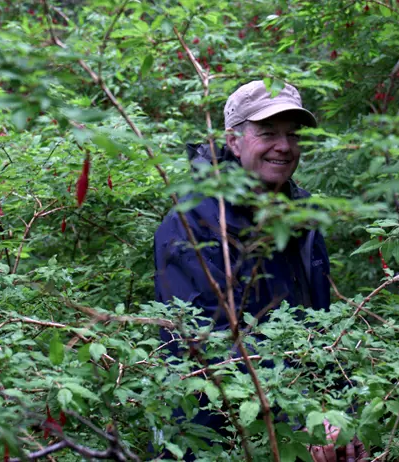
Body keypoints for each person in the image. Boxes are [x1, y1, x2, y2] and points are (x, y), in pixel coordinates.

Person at [153, 80, 366, 461]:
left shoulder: (302, 218)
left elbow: (319, 330)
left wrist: (337, 414)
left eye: (291, 135)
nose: (283, 147)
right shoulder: (192, 225)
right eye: (267, 133)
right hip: (219, 439)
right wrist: (303, 421)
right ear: (233, 141)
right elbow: (206, 353)